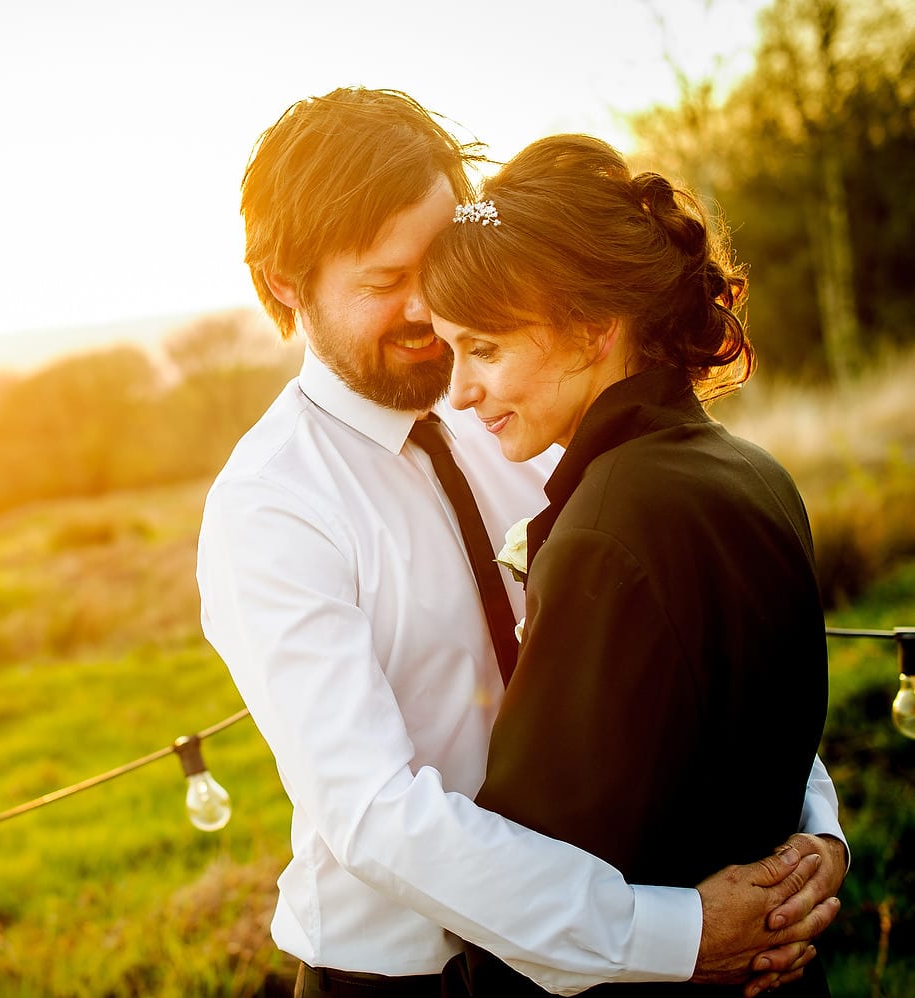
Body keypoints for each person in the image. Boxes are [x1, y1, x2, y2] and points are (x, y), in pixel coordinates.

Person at [196, 88, 846, 997]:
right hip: (416, 976)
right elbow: (376, 813)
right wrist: (673, 934)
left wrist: (811, 825)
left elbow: (688, 633)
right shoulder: (270, 507)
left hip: (625, 947)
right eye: (386, 283)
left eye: (443, 261)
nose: (431, 306)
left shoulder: (522, 404)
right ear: (285, 288)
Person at [419, 134, 836, 995]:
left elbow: (548, 864)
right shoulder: (756, 473)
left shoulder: (610, 528)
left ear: (591, 329)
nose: (458, 391)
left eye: (485, 349)